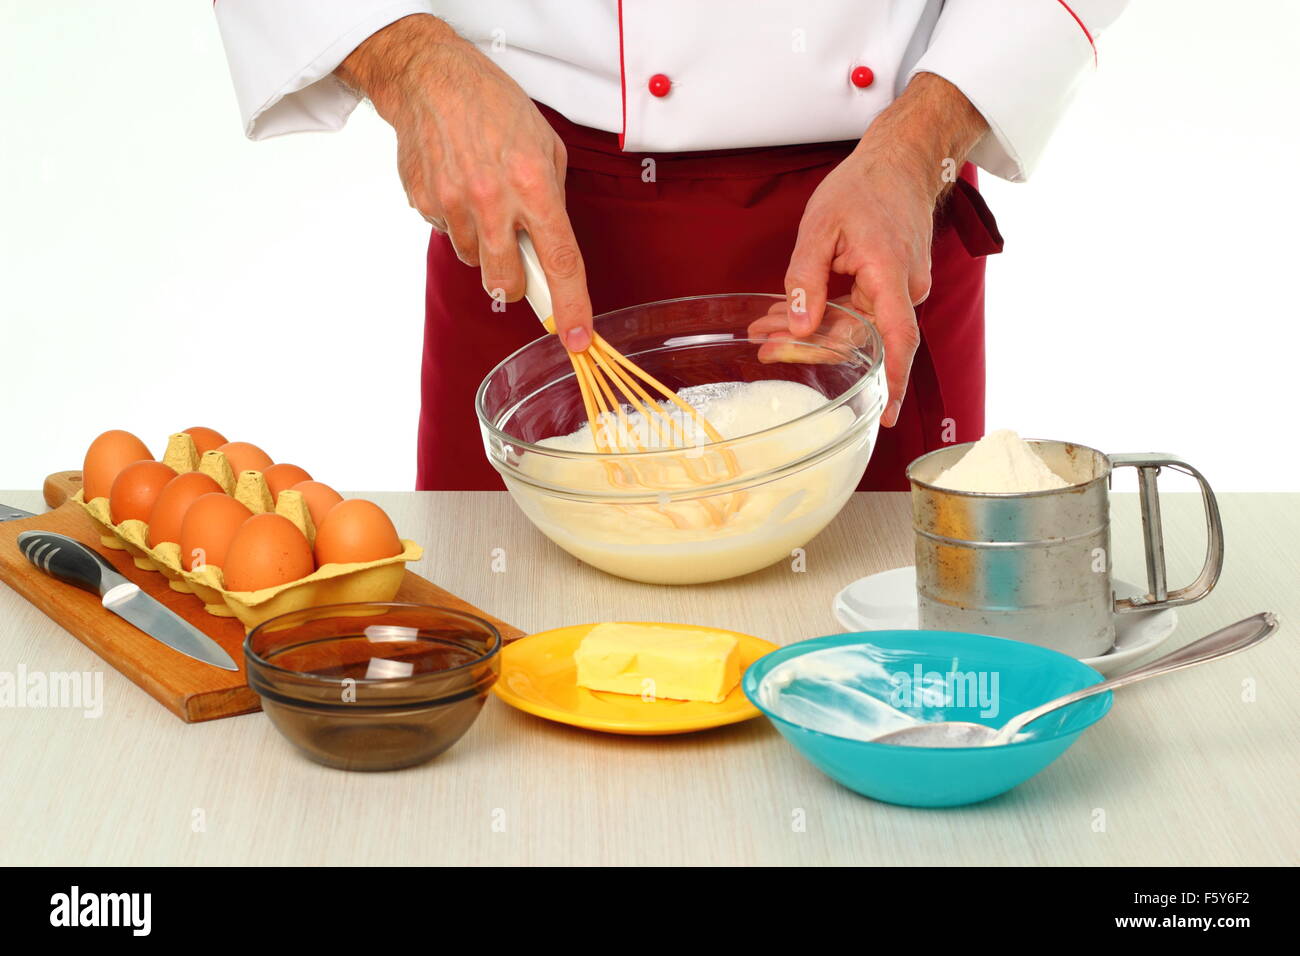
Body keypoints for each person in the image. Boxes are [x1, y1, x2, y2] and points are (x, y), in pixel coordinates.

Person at [215, 1, 1126, 490]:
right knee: (513, 708)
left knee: (881, 698)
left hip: (871, 224)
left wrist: (926, 133)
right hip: (541, 221)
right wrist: (406, 58)